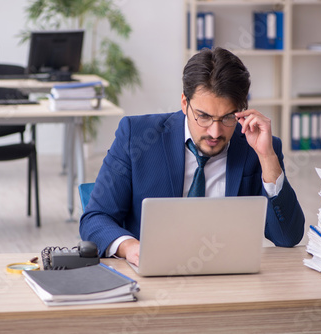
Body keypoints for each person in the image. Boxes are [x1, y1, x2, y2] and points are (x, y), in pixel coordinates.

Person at [80, 47, 305, 266]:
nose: (215, 132)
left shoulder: (257, 146)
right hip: (154, 277)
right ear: (185, 103)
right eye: (204, 116)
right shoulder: (136, 136)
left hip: (230, 278)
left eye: (227, 117)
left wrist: (267, 158)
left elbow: (288, 237)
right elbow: (95, 218)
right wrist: (131, 248)